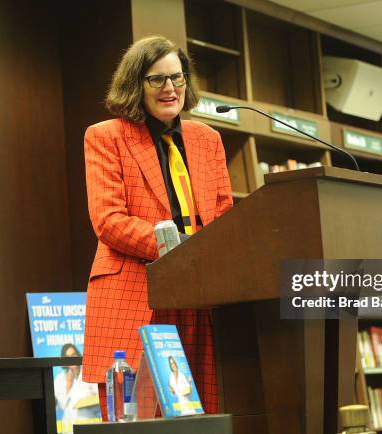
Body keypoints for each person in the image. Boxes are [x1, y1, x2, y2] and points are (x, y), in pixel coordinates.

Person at [82, 35, 233, 420]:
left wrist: (208, 254)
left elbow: (224, 215)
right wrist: (179, 249)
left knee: (203, 419)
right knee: (137, 422)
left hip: (199, 300)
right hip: (136, 295)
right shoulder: (105, 136)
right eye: (157, 79)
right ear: (136, 84)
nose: (170, 88)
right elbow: (109, 220)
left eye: (177, 78)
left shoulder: (208, 140)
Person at [53, 343, 100, 433]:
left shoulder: (89, 373)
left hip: (89, 422)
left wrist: (88, 403)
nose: (71, 359)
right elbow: (61, 406)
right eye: (67, 357)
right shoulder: (60, 379)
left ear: (78, 355)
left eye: (73, 355)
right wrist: (68, 386)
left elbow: (99, 400)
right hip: (69, 427)